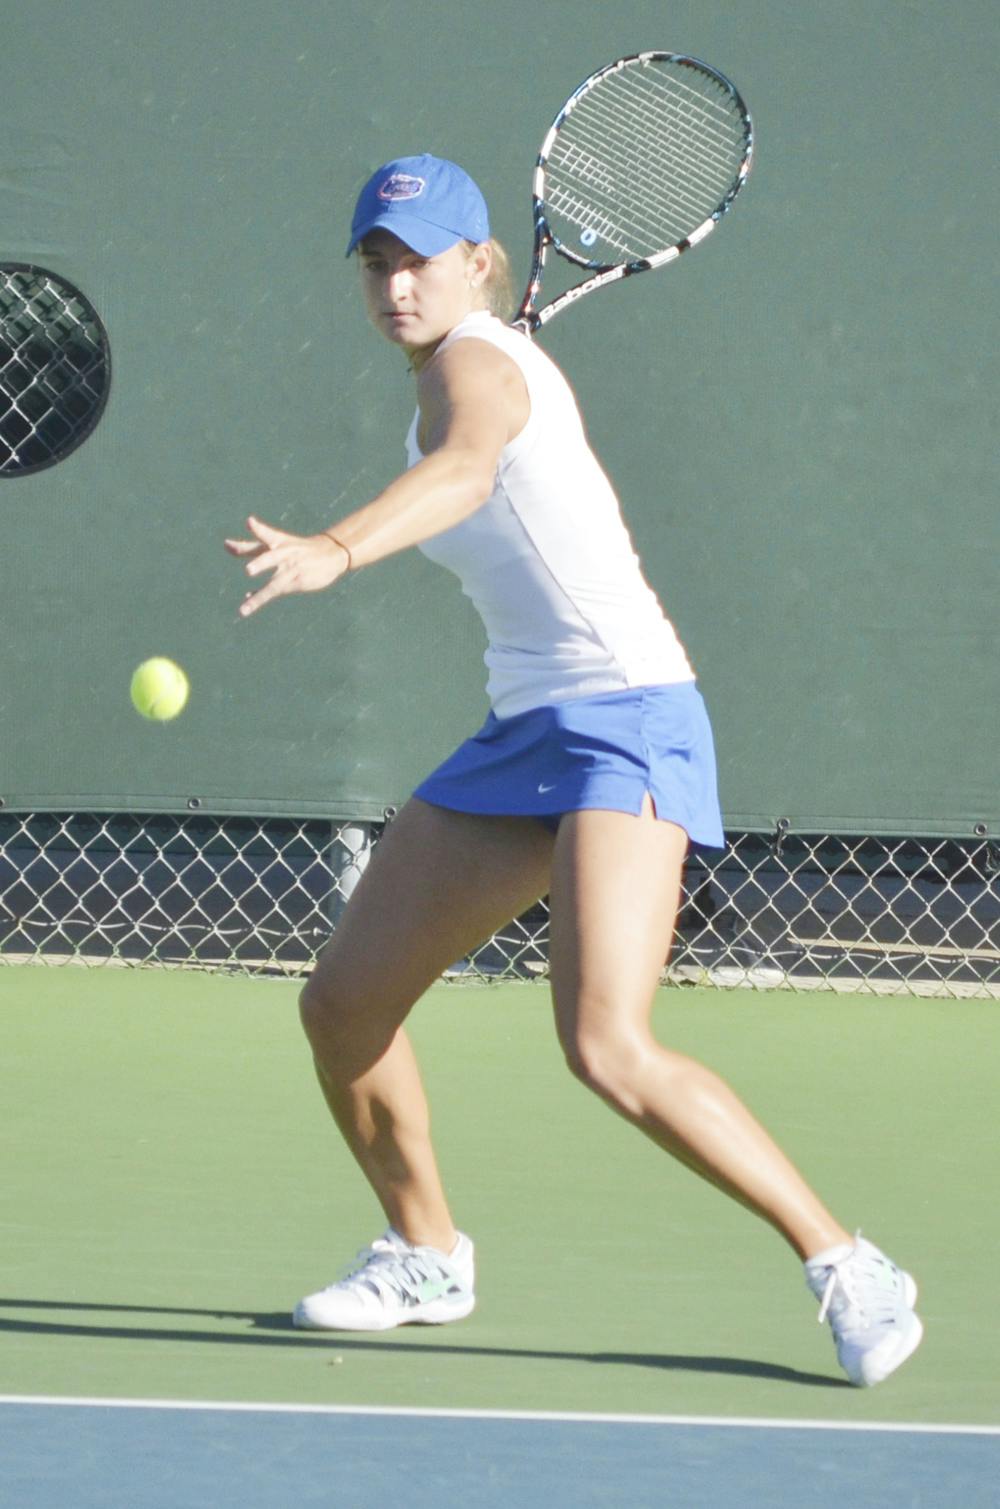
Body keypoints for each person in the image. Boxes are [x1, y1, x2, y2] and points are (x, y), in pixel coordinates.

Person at [225, 154, 923, 1386]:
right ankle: (426, 1251)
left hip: (627, 719)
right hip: (527, 733)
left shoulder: (476, 365)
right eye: (377, 264)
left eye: (421, 260)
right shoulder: (467, 365)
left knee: (606, 1043)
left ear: (479, 262)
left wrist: (338, 548)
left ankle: (845, 1262)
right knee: (342, 1003)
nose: (396, 284)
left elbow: (464, 474)